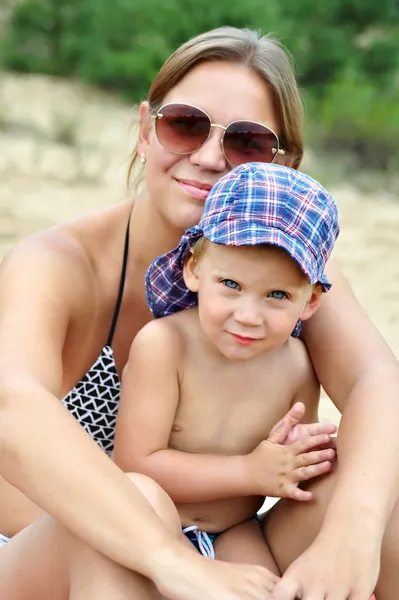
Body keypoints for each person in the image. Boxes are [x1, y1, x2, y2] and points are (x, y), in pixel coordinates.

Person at [0, 25, 398, 600]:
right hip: (36, 556)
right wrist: (168, 558)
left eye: (247, 144)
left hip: (218, 546)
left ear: (280, 165)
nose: (210, 158)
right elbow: (13, 406)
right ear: (144, 130)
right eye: (183, 125)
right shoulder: (62, 263)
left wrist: (354, 529)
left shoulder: (286, 274)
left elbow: (377, 381)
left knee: (376, 495)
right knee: (134, 502)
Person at [114, 162, 339, 573]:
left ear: (310, 302)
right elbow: (135, 465)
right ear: (194, 269)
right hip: (147, 522)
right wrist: (249, 472)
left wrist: (301, 458)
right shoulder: (165, 346)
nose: (249, 315)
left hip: (236, 529)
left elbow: (289, 463)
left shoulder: (298, 365)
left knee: (266, 589)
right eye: (231, 285)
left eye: (276, 294)